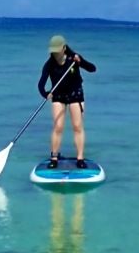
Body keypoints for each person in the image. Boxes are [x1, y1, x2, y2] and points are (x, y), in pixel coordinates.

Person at [37, 35, 96, 169]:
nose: (55, 54)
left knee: (77, 126)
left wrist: (80, 62)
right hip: (58, 95)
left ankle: (80, 158)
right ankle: (54, 157)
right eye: (53, 51)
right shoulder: (49, 64)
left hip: (75, 94)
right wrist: (46, 94)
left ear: (64, 48)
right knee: (58, 127)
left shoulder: (73, 58)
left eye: (57, 51)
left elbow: (93, 68)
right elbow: (41, 84)